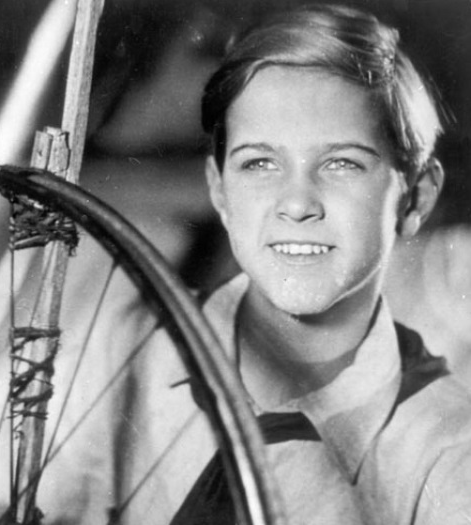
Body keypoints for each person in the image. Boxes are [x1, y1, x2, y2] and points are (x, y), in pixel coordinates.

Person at [155, 3, 471, 524]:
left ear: (415, 197)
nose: (297, 204)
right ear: (219, 189)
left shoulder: (449, 458)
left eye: (342, 163)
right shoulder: (121, 355)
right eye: (260, 163)